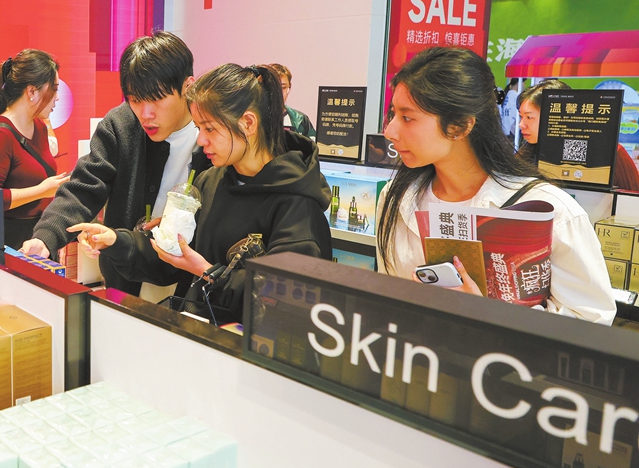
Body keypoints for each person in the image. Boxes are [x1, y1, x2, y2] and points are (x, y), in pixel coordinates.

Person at [68, 64, 332, 323]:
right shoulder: (210, 181)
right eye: (199, 128)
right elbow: (171, 254)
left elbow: (287, 300)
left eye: (210, 129)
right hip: (197, 335)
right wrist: (116, 239)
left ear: (248, 123)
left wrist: (206, 272)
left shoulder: (298, 203)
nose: (202, 140)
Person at [376, 48, 614, 324]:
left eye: (407, 117)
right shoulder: (397, 198)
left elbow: (591, 321)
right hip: (415, 360)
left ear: (460, 126)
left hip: (505, 365)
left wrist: (485, 314)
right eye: (393, 114)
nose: (390, 131)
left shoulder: (549, 210)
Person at [21, 32, 212, 295]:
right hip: (126, 277)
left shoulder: (211, 135)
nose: (146, 114)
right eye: (135, 100)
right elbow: (84, 188)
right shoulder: (121, 125)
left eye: (156, 99)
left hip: (189, 285)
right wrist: (45, 238)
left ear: (187, 87)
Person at [0, 49, 71, 248]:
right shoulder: (1, 135)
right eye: (53, 89)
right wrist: (41, 190)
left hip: (39, 235)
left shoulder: (40, 127)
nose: (57, 98)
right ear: (32, 92)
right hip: (10, 241)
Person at [516, 78, 639, 192]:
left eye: (529, 117)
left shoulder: (612, 152)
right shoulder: (524, 155)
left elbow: (632, 201)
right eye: (521, 116)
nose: (521, 124)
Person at [263, 63, 315, 139]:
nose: (278, 92)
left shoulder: (300, 120)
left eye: (283, 87)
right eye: (273, 87)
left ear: (289, 87)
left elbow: (313, 148)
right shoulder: (253, 119)